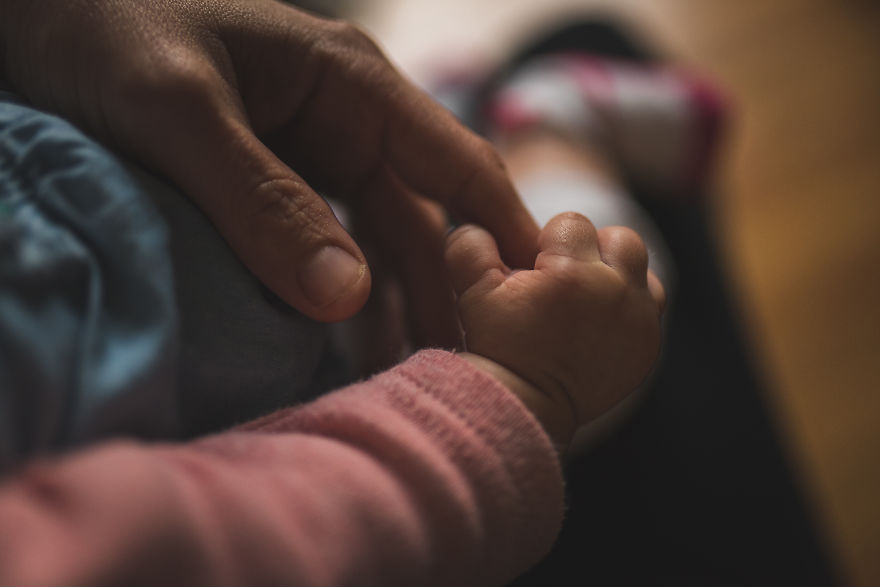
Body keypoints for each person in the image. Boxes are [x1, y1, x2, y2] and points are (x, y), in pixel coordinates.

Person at [0, 0, 670, 585]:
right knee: (600, 304)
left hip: (188, 131)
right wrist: (522, 387)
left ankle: (464, 106)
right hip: (350, 365)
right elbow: (224, 542)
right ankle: (551, 121)